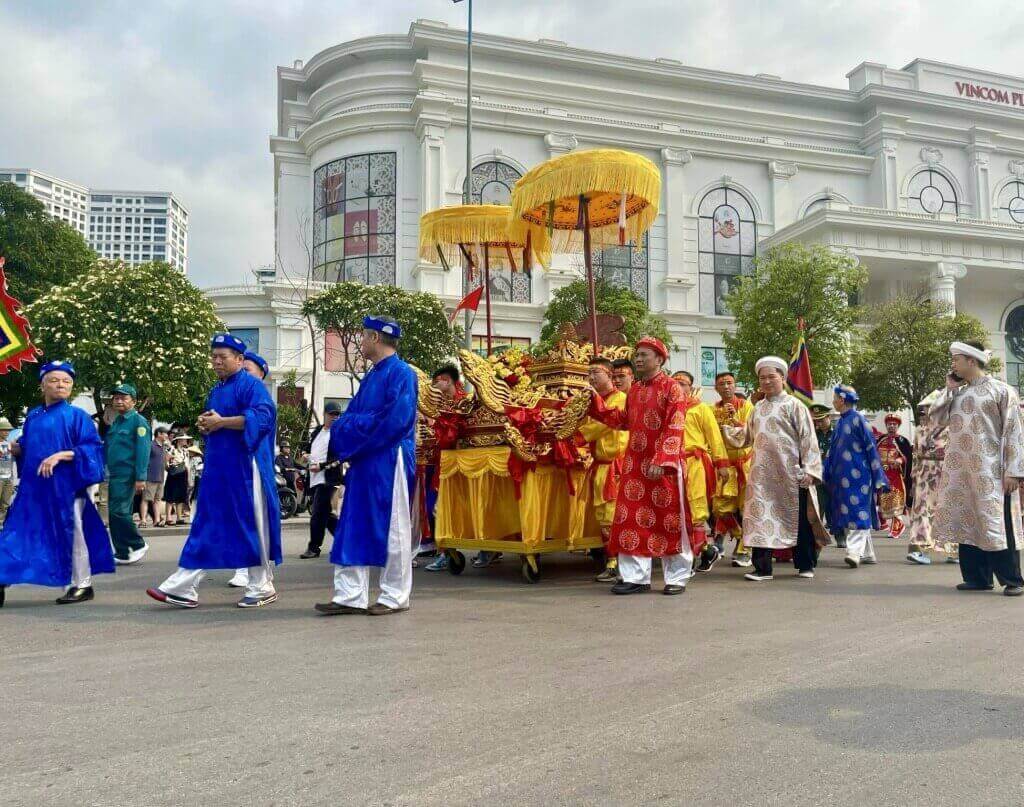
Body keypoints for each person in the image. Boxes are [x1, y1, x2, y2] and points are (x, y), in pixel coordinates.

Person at [146, 333, 281, 609]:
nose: (217, 361)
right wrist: (207, 424)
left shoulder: (251, 386)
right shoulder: (217, 389)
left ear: (240, 360)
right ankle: (186, 586)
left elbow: (263, 418)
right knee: (208, 523)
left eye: (223, 357)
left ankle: (259, 585)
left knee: (250, 524)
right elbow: (219, 423)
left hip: (245, 469)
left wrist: (223, 422)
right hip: (219, 469)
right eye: (214, 356)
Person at [315, 315, 417, 616]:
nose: (360, 342)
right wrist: (356, 426)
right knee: (353, 522)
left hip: (389, 457)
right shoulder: (372, 376)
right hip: (365, 458)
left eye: (362, 336)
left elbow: (396, 420)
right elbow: (348, 421)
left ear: (374, 337)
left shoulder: (401, 373)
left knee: (394, 527)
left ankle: (395, 594)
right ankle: (350, 594)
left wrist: (355, 428)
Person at [586, 337, 695, 596]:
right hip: (635, 463)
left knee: (669, 520)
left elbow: (675, 424)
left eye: (644, 355)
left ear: (659, 359)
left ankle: (677, 577)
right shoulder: (634, 390)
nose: (638, 359)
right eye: (637, 355)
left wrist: (663, 459)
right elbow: (623, 421)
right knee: (631, 519)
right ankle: (635, 577)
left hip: (664, 465)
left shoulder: (672, 388)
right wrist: (594, 404)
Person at [0, 361, 115, 606]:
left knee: (73, 533)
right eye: (54, 380)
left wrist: (61, 455)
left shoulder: (77, 416)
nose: (61, 385)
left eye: (66, 381)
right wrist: (16, 448)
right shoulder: (33, 416)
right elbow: (28, 448)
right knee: (19, 530)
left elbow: (92, 448)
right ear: (42, 385)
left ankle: (82, 584)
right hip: (35, 488)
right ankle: (5, 574)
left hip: (66, 486)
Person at [930, 341, 1024, 596]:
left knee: (997, 522)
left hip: (991, 471)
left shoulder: (1002, 391)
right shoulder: (957, 393)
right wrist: (948, 390)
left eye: (956, 359)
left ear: (971, 361)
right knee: (967, 521)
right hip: (961, 472)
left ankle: (1012, 578)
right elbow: (936, 420)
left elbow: (1015, 432)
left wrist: (1014, 471)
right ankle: (977, 577)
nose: (953, 364)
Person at [722, 356, 827, 581]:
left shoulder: (795, 405)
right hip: (761, 476)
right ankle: (762, 568)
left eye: (772, 377)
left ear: (782, 378)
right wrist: (726, 430)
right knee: (760, 519)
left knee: (798, 521)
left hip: (791, 474)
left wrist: (809, 470)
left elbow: (808, 438)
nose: (767, 381)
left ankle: (805, 564)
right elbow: (746, 437)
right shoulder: (757, 408)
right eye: (762, 378)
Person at [823, 385, 889, 569]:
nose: (833, 401)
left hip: (860, 477)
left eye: (835, 398)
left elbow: (871, 449)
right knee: (852, 512)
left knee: (857, 511)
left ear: (842, 400)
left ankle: (854, 552)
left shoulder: (859, 420)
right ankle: (867, 553)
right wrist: (824, 471)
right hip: (841, 478)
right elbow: (832, 452)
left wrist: (879, 476)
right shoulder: (840, 423)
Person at [671, 371, 730, 573]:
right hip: (672, 466)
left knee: (695, 510)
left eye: (683, 383)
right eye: (675, 382)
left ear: (690, 387)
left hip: (694, 464)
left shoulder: (700, 408)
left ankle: (691, 559)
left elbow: (714, 436)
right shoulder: (668, 408)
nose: (679, 386)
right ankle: (706, 550)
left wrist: (722, 464)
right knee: (676, 511)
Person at [578, 357, 629, 582]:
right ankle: (612, 560)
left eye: (594, 373)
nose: (590, 378)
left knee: (611, 515)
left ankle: (617, 563)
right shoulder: (595, 401)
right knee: (603, 516)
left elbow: (600, 425)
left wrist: (573, 434)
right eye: (588, 374)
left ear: (609, 375)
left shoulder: (620, 400)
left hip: (615, 467)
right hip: (600, 466)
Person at [423, 365, 468, 572]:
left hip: (460, 463)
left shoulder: (464, 401)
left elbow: (454, 435)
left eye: (437, 382)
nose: (435, 386)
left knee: (448, 508)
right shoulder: (445, 403)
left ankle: (448, 552)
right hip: (442, 461)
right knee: (435, 507)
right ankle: (445, 551)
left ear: (447, 380)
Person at [906, 391, 957, 565]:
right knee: (921, 510)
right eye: (925, 409)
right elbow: (914, 456)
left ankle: (953, 550)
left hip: (946, 472)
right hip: (923, 473)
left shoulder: (952, 429)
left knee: (947, 510)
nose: (925, 411)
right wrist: (913, 479)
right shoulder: (920, 430)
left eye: (929, 408)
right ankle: (919, 548)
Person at [103, 383, 151, 565]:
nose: (119, 401)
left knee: (120, 512)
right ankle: (123, 552)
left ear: (134, 401)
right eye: (116, 398)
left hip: (128, 473)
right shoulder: (118, 421)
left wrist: (140, 477)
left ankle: (137, 544)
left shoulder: (138, 421)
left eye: (123, 398)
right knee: (114, 514)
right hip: (115, 473)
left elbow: (143, 450)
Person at [711, 371, 754, 567]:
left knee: (746, 509)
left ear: (735, 385)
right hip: (724, 465)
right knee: (721, 508)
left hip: (745, 464)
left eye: (729, 383)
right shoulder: (711, 410)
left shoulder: (746, 406)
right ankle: (740, 536)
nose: (726, 387)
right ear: (716, 388)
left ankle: (745, 549)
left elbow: (751, 432)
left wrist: (734, 419)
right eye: (722, 384)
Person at [300, 401, 344, 559]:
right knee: (327, 516)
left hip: (329, 479)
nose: (334, 417)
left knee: (318, 514)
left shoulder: (339, 433)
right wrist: (305, 454)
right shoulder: (318, 430)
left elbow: (340, 456)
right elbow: (309, 447)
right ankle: (345, 540)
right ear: (325, 414)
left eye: (337, 415)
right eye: (332, 414)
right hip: (314, 478)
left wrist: (322, 466)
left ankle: (314, 547)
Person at [810, 403, 845, 549]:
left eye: (821, 419)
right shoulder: (813, 434)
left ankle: (840, 536)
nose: (819, 423)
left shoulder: (838, 432)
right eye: (817, 420)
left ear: (829, 417)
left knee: (836, 507)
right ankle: (816, 540)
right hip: (818, 477)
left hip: (835, 477)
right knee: (818, 509)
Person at [876, 414, 913, 538]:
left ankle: (898, 526)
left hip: (896, 475)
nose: (891, 426)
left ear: (897, 426)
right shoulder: (881, 439)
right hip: (882, 476)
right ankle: (886, 524)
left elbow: (908, 457)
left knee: (896, 501)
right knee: (885, 502)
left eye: (894, 424)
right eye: (889, 424)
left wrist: (900, 460)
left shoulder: (902, 441)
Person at [141, 427, 168, 527]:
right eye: (165, 434)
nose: (166, 436)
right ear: (159, 434)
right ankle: (143, 520)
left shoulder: (163, 447)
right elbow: (144, 460)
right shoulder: (150, 445)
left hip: (160, 477)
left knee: (157, 500)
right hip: (150, 477)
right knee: (146, 499)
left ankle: (156, 520)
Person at [162, 434, 191, 525]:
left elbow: (187, 465)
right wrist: (169, 469)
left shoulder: (185, 451)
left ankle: (179, 518)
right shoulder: (171, 449)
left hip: (183, 474)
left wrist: (189, 478)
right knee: (170, 496)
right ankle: (168, 518)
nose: (185, 441)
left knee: (181, 497)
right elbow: (165, 461)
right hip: (174, 474)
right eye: (184, 439)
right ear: (179, 440)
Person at [0, 418, 16, 523]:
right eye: (4, 430)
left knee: (5, 504)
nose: (7, 432)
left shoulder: (9, 444)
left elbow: (13, 460)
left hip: (8, 478)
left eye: (8, 430)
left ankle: (0, 524)